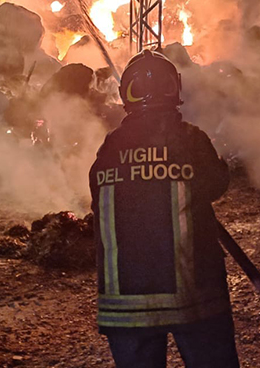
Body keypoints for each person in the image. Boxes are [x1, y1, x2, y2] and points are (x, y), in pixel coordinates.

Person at [89, 50, 239, 368]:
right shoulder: (190, 139)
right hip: (194, 298)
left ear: (125, 93)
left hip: (122, 305)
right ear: (175, 88)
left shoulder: (110, 146)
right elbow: (216, 183)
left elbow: (96, 195)